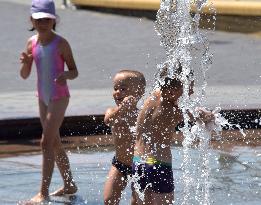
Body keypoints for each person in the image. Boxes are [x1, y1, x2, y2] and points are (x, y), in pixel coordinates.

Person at [19, 0, 78, 203]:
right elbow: (25, 75)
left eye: (47, 19)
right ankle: (69, 184)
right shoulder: (31, 43)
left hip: (59, 97)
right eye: (39, 19)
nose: (43, 23)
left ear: (54, 20)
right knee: (54, 142)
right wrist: (26, 64)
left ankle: (42, 193)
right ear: (31, 20)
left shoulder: (61, 43)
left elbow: (74, 71)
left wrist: (65, 75)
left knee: (46, 141)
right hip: (42, 97)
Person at [132, 68, 214, 204]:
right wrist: (208, 116)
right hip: (158, 164)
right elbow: (198, 118)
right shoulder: (171, 109)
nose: (192, 92)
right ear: (171, 91)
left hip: (139, 162)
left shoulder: (153, 97)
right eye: (189, 89)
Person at [103, 70, 146, 205]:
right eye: (115, 88)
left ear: (138, 93)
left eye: (123, 89)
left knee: (137, 201)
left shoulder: (142, 114)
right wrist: (122, 109)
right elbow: (108, 120)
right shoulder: (113, 111)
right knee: (109, 200)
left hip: (140, 165)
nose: (117, 92)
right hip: (119, 164)